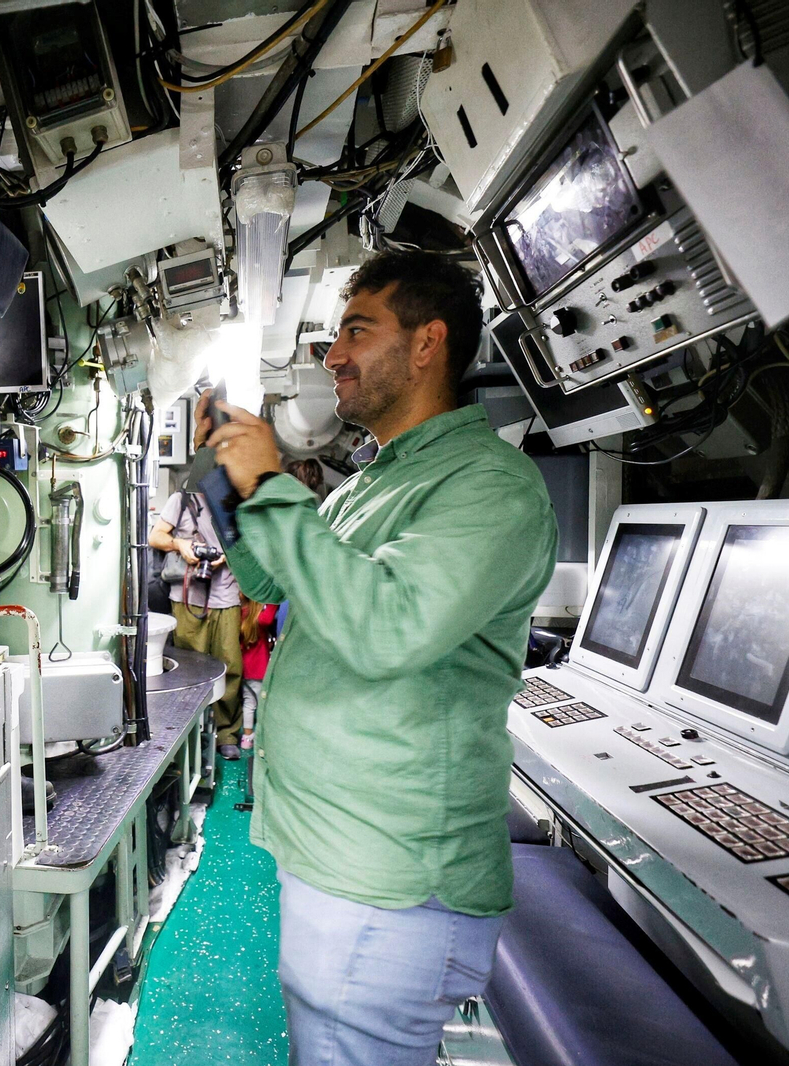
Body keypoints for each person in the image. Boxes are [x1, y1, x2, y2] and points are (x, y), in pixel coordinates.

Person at [199, 250, 558, 1066]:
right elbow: (267, 573)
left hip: (391, 880)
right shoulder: (374, 481)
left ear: (428, 343)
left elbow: (386, 628)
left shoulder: (490, 485)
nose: (332, 358)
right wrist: (230, 482)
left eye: (357, 332)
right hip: (341, 857)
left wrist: (272, 483)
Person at [148, 486, 244, 762]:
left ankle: (227, 733)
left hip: (226, 598)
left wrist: (226, 555)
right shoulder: (182, 499)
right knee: (189, 672)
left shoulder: (236, 497)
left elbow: (246, 542)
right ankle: (189, 735)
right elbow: (156, 537)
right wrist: (181, 545)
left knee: (231, 666)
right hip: (187, 596)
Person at [238, 596, 277, 749]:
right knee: (261, 704)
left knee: (249, 703)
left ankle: (246, 738)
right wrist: (275, 601)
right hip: (259, 669)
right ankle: (259, 736)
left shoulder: (242, 614)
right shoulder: (260, 621)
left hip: (245, 668)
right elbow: (268, 619)